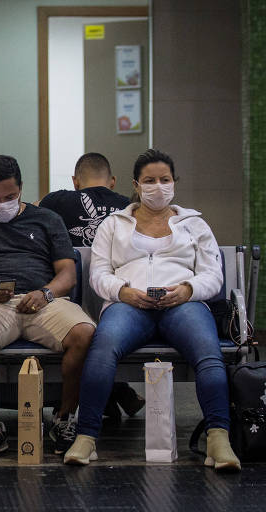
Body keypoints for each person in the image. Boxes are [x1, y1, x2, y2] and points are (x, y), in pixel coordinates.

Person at [64, 149, 241, 471]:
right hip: (129, 305)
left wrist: (188, 290)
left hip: (183, 305)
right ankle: (86, 437)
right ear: (135, 184)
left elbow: (212, 276)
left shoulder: (195, 224)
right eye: (149, 181)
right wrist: (123, 292)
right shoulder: (113, 225)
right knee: (102, 351)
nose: (158, 186)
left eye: (164, 179)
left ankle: (219, 437)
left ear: (175, 182)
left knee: (208, 354)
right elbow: (99, 274)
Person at [0, 154, 95, 459]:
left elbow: (67, 273)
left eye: (9, 196)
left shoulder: (47, 219)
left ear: (22, 188)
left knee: (84, 333)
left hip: (44, 302)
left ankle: (64, 418)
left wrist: (45, 293)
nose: (2, 203)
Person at [38, 153, 145, 419]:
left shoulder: (56, 201)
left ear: (75, 181)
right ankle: (118, 392)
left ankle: (113, 395)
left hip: (67, 293)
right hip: (117, 293)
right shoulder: (128, 207)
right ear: (112, 181)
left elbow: (33, 218)